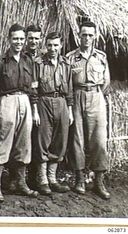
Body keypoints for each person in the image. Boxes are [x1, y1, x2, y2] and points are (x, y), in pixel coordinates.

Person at [0, 23, 38, 203]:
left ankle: (21, 183)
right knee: (2, 144)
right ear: (9, 39)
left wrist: (33, 109)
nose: (18, 42)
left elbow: (33, 88)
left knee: (24, 144)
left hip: (24, 100)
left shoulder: (28, 61)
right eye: (15, 38)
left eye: (21, 39)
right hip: (6, 101)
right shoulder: (0, 63)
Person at [66, 21, 111, 200]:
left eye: (90, 35)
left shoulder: (101, 57)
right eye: (84, 35)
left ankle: (99, 180)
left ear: (95, 36)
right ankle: (79, 179)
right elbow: (67, 81)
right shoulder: (70, 57)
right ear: (79, 35)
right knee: (77, 138)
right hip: (77, 96)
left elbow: (107, 81)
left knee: (99, 140)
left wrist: (97, 95)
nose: (87, 38)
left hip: (96, 96)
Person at [32, 32, 73, 195]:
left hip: (62, 102)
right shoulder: (38, 63)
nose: (52, 48)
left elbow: (69, 88)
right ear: (45, 45)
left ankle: (52, 178)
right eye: (49, 45)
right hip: (44, 101)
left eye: (56, 45)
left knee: (59, 141)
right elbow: (34, 88)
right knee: (43, 140)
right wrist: (35, 109)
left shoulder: (66, 64)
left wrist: (69, 110)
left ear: (61, 46)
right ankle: (42, 180)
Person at [7, 24, 43, 192]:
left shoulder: (39, 58)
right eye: (30, 38)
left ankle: (32, 178)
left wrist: (35, 109)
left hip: (37, 104)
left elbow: (35, 86)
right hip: (18, 103)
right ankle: (14, 178)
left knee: (33, 143)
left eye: (36, 38)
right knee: (15, 141)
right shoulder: (15, 58)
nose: (33, 41)